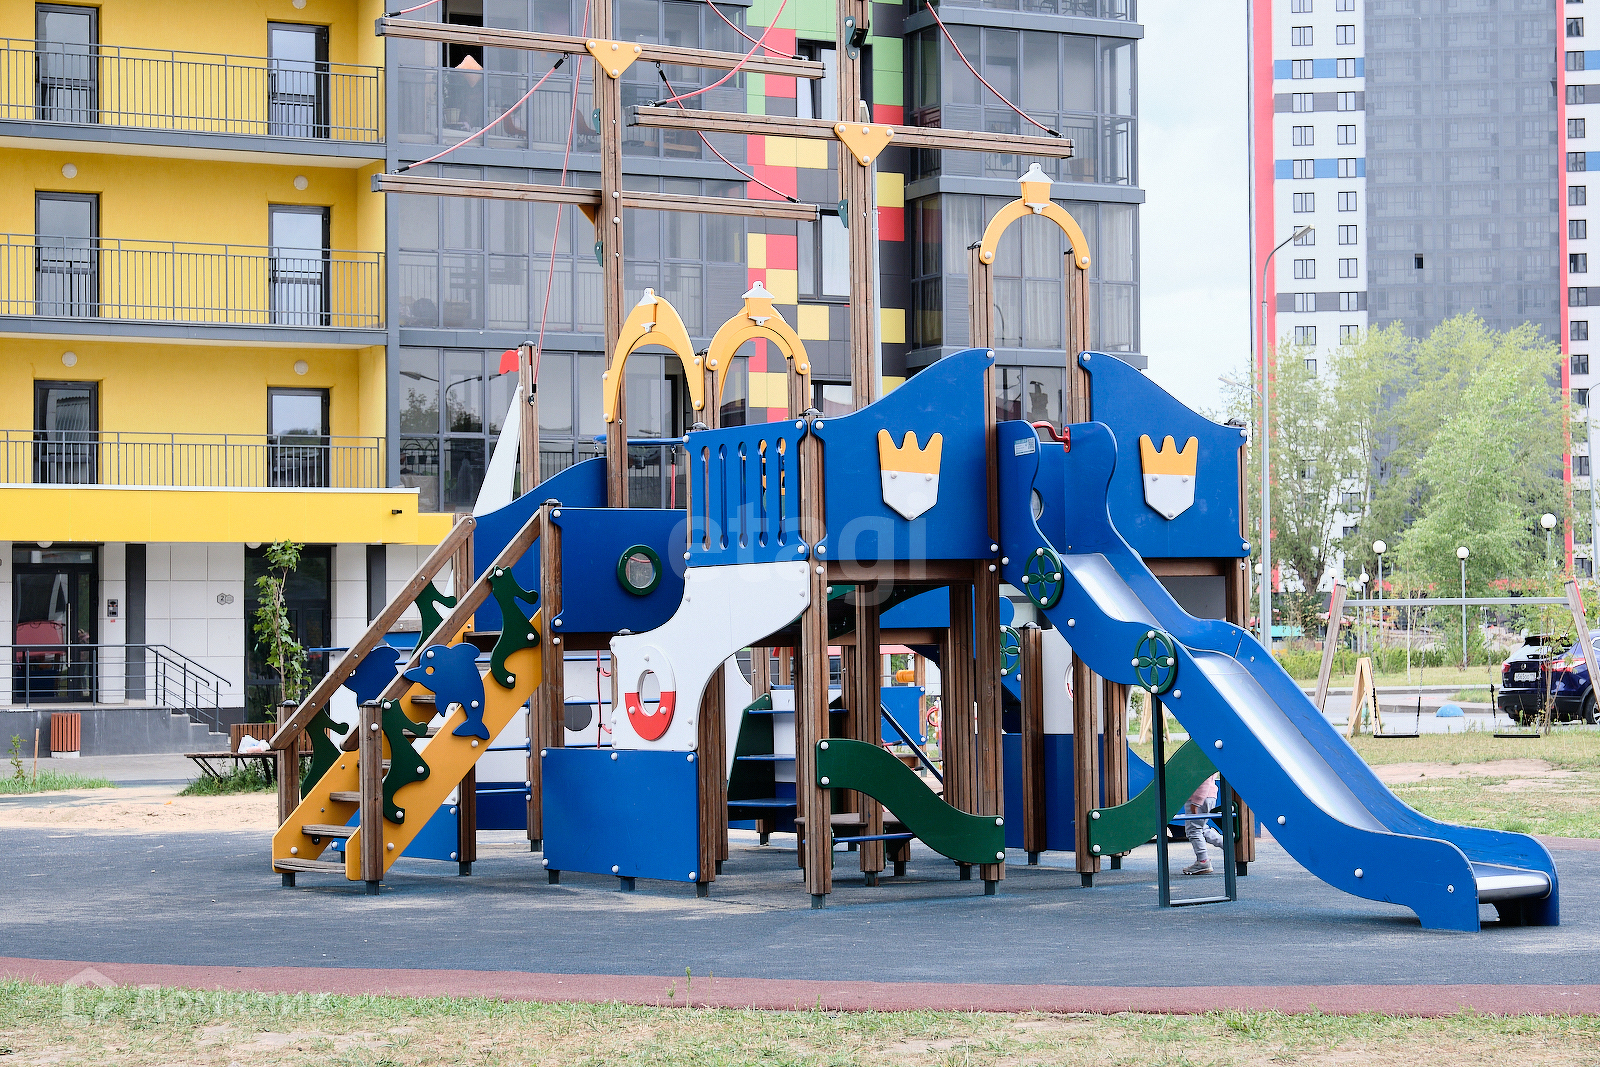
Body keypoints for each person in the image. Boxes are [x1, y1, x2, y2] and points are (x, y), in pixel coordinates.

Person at [1181, 774, 1227, 876]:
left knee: (1194, 830)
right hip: (1208, 795)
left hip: (1199, 797)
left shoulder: (1201, 763)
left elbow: (1204, 777)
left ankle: (1203, 861)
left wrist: (1197, 802)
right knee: (1202, 829)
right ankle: (1229, 845)